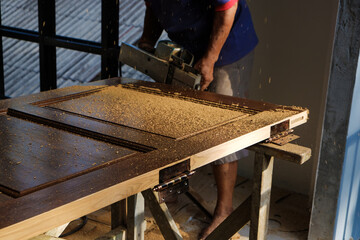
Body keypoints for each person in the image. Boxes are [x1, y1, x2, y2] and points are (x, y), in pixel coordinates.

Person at [138, 0, 258, 238]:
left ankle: (224, 210)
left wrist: (211, 58)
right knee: (174, 115)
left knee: (221, 128)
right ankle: (172, 186)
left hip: (228, 45)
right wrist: (146, 42)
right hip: (186, 42)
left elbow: (227, 8)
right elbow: (153, 6)